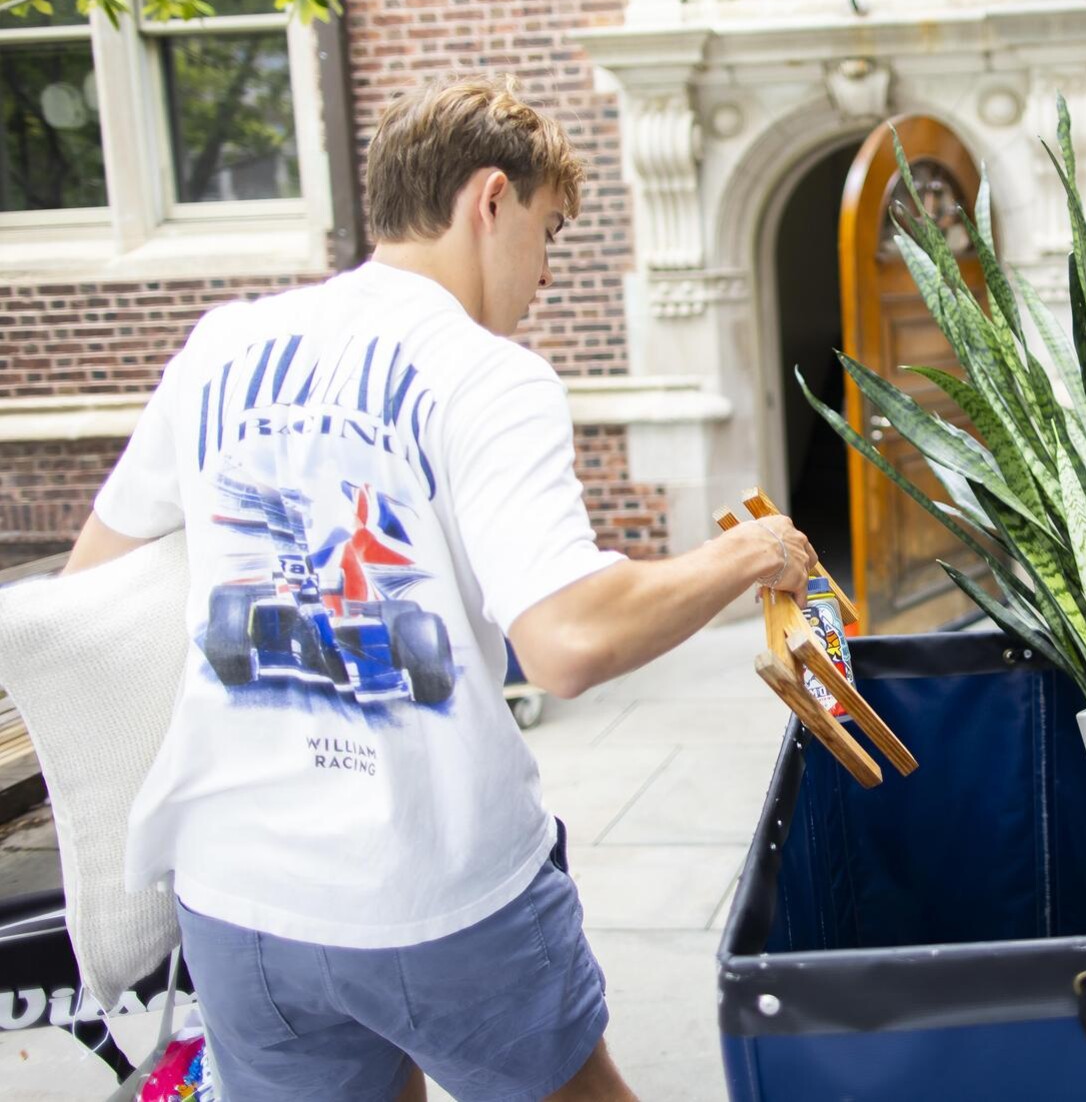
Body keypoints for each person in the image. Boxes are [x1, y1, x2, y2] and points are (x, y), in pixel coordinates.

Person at [62, 74, 817, 1102]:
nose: (546, 272)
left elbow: (93, 580)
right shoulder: (485, 374)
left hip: (236, 897)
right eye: (550, 232)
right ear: (489, 199)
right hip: (431, 888)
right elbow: (566, 641)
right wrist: (747, 553)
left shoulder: (220, 345)